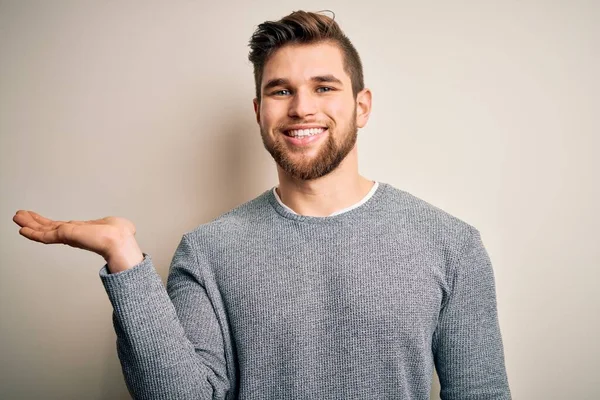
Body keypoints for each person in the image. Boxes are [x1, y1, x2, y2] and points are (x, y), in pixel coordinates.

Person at [13, 10, 511, 400]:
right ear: (259, 112)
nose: (301, 107)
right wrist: (123, 259)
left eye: (324, 87)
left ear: (361, 106)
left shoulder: (451, 244)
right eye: (281, 90)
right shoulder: (206, 251)